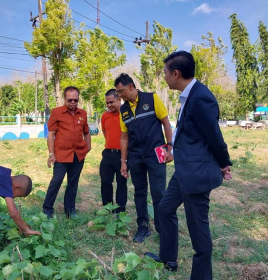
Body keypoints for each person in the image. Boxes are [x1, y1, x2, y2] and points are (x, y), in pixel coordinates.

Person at [145, 51, 233, 280]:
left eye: (165, 73)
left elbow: (214, 136)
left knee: (198, 233)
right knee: (164, 209)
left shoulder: (201, 97)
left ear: (176, 73)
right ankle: (168, 259)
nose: (164, 77)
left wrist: (224, 164)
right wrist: (173, 150)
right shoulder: (188, 95)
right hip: (184, 170)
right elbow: (192, 135)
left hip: (197, 175)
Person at [115, 73, 173, 243]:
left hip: (156, 154)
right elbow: (124, 137)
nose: (119, 95)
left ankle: (163, 230)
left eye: (121, 91)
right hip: (135, 157)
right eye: (117, 92)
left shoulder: (152, 98)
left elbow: (166, 123)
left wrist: (170, 147)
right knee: (139, 192)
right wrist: (123, 161)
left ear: (130, 86)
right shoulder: (123, 110)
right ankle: (143, 227)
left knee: (158, 193)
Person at [43, 86, 91, 218]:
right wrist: (51, 154)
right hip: (61, 154)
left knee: (73, 183)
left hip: (78, 154)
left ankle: (70, 210)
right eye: (70, 100)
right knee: (57, 181)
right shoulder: (57, 112)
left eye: (76, 100)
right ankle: (47, 209)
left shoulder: (83, 113)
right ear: (64, 99)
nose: (73, 103)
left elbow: (86, 132)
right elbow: (51, 134)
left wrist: (88, 147)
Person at [100, 89, 128, 213]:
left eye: (111, 102)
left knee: (121, 183)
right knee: (105, 182)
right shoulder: (105, 116)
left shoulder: (126, 114)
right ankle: (107, 208)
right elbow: (105, 132)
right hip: (107, 154)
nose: (109, 105)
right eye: (107, 103)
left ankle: (120, 210)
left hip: (123, 155)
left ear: (119, 99)